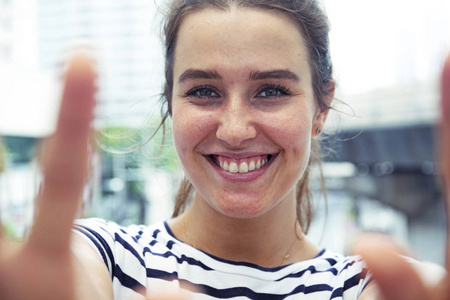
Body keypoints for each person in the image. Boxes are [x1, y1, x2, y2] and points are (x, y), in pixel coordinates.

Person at [0, 0, 449, 299]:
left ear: (321, 107)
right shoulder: (107, 257)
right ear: (169, 103)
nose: (234, 130)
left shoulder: (367, 286)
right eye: (204, 91)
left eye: (271, 91)